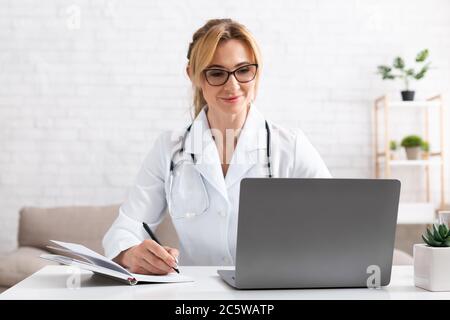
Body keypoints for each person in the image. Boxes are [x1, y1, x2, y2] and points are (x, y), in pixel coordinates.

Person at [103, 18, 331, 275]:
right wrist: (129, 253)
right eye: (216, 73)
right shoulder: (170, 148)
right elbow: (125, 228)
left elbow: (334, 224)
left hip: (269, 292)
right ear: (193, 75)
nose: (232, 85)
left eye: (243, 70)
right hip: (195, 295)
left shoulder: (291, 146)